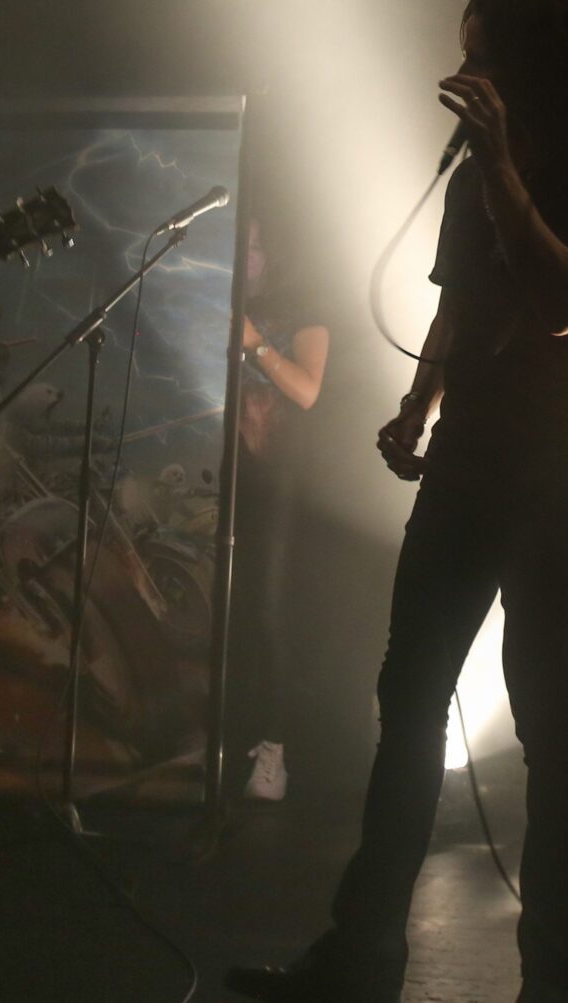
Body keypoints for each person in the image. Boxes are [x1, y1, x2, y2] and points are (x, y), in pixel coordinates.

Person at [227, 0, 568, 1003]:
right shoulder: (469, 187)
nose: (464, 75)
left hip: (556, 470)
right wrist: (417, 405)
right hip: (466, 461)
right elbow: (459, 307)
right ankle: (362, 953)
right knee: (408, 694)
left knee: (545, 708)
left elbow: (565, 300)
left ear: (533, 69)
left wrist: (499, 166)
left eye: (482, 55)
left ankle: (555, 972)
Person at [230, 215, 331, 804]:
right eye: (238, 244)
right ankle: (221, 738)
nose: (245, 256)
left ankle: (275, 748)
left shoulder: (303, 308)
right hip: (220, 470)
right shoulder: (211, 295)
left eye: (253, 246)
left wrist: (253, 342)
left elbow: (307, 390)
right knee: (220, 606)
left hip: (277, 480)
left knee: (268, 612)